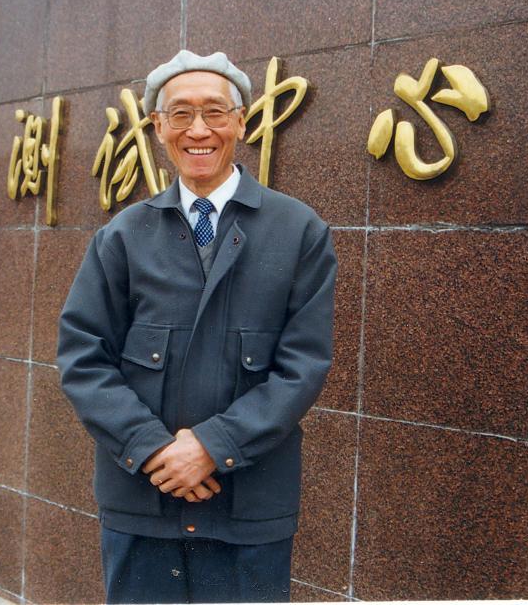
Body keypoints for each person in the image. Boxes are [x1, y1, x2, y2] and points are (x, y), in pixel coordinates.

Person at [57, 50, 336, 603]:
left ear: (242, 122)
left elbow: (302, 367)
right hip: (143, 502)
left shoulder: (298, 231)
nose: (199, 130)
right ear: (158, 127)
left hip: (248, 506)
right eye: (181, 114)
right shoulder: (122, 236)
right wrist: (153, 450)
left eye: (215, 112)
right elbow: (83, 358)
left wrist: (213, 446)